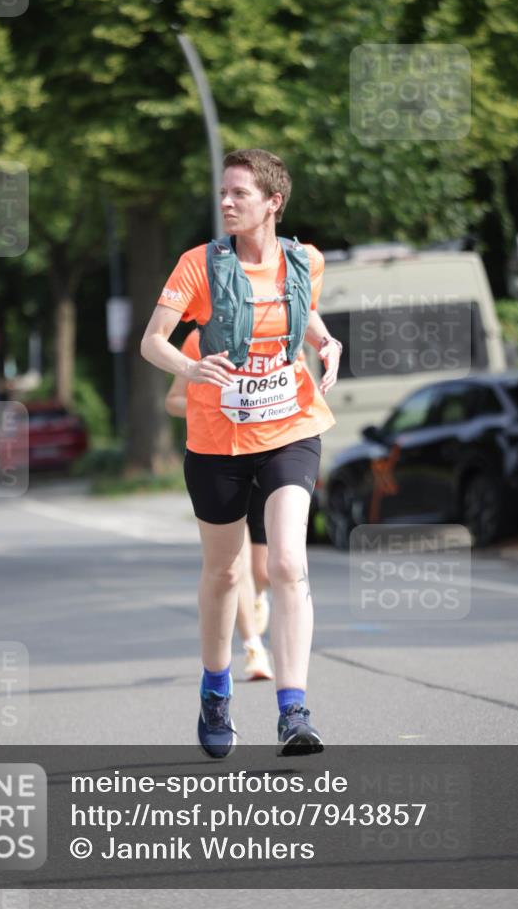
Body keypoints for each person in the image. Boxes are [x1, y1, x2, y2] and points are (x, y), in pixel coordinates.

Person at [141, 148, 341, 757]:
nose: (226, 202)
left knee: (284, 561)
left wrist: (327, 340)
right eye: (223, 193)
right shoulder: (198, 265)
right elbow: (153, 342)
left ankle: (294, 709)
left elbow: (299, 311)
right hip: (216, 438)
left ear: (272, 203)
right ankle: (215, 688)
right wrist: (191, 366)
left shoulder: (305, 259)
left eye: (239, 194)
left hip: (291, 424)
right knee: (225, 571)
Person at [166, 328, 273, 682]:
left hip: (267, 451)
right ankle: (254, 647)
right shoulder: (198, 340)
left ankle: (258, 599)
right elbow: (173, 400)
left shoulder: (274, 328)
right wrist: (210, 396)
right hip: (221, 456)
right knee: (234, 564)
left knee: (264, 571)